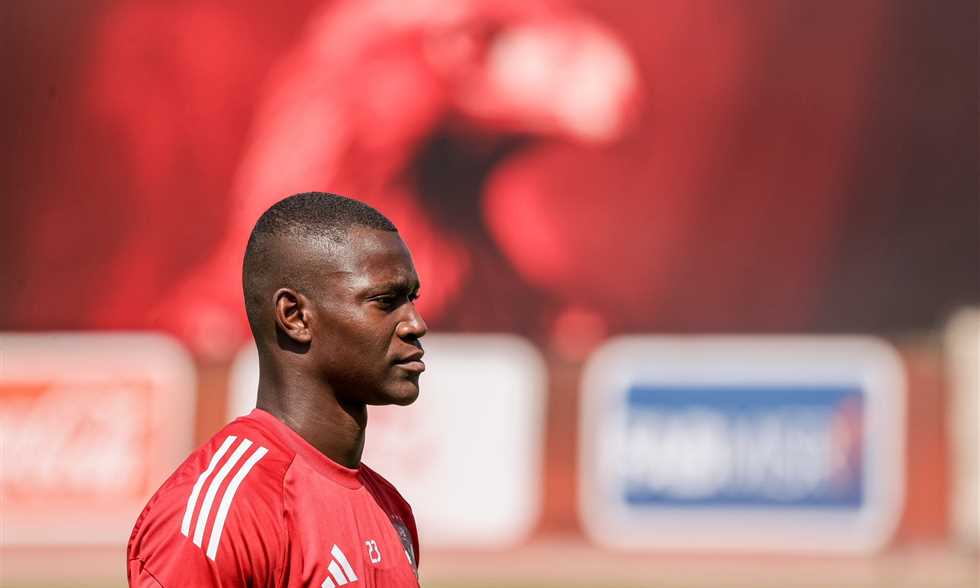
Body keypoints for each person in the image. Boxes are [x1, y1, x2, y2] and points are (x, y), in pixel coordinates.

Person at [127, 192, 427, 587]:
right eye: (386, 302)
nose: (416, 324)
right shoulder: (224, 513)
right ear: (295, 316)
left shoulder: (391, 509)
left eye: (412, 299)